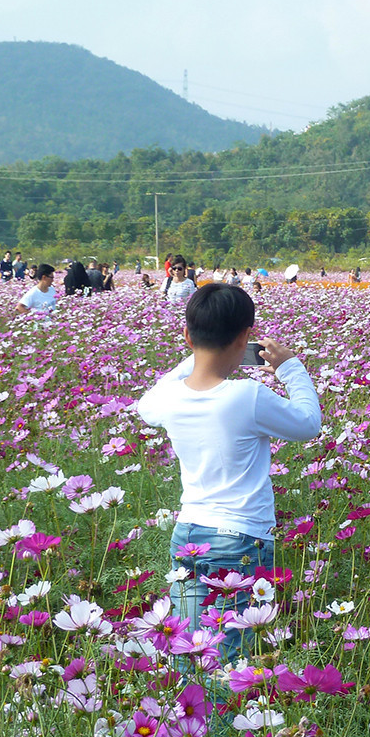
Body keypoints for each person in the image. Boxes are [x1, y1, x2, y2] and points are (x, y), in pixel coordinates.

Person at [138, 283, 321, 662]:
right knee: (228, 656)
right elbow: (308, 424)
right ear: (245, 337)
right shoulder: (246, 396)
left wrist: (195, 357)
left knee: (191, 650)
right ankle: (220, 722)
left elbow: (146, 403)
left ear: (187, 335)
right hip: (239, 539)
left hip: (187, 533)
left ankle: (189, 721)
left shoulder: (167, 399)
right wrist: (291, 367)